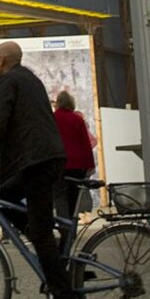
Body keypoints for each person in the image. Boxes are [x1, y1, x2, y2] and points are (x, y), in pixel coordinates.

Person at [0, 40, 75, 299]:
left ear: (3, 60)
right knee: (6, 198)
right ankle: (49, 245)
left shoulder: (8, 81)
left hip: (35, 161)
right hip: (44, 158)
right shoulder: (30, 78)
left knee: (38, 231)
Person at [52, 90, 96, 219]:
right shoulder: (78, 120)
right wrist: (90, 166)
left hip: (59, 164)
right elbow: (85, 144)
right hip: (78, 166)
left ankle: (64, 227)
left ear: (58, 104)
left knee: (60, 197)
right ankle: (71, 228)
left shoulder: (53, 119)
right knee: (74, 198)